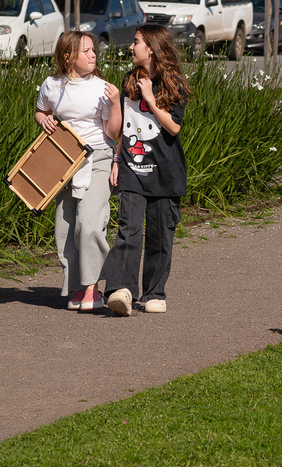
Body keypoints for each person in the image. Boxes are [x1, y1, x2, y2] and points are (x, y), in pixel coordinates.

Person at [101, 24, 191, 317]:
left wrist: (150, 99)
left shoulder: (173, 82)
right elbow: (125, 127)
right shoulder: (130, 79)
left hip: (165, 171)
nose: (131, 47)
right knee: (128, 229)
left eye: (136, 42)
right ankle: (122, 290)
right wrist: (116, 160)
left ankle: (155, 292)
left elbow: (174, 127)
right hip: (131, 166)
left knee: (160, 236)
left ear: (151, 48)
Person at [35, 31, 121, 311]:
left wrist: (117, 103)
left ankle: (93, 288)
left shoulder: (103, 88)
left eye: (94, 50)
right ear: (67, 56)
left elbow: (112, 131)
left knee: (89, 223)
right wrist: (44, 121)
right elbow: (41, 111)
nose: (93, 54)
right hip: (65, 161)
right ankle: (76, 287)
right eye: (86, 51)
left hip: (97, 158)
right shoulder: (51, 85)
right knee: (66, 227)